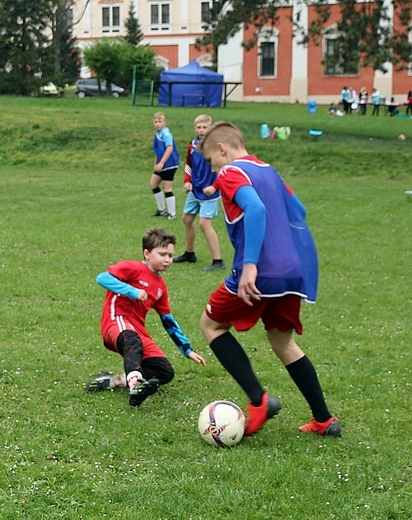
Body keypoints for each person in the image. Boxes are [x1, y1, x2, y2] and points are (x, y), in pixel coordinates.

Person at [198, 121, 341, 438]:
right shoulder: (268, 170)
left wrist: (251, 265)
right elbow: (299, 209)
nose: (212, 168)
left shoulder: (231, 172)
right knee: (283, 341)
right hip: (291, 272)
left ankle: (258, 401)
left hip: (260, 272)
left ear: (222, 149)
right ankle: (324, 420)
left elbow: (256, 208)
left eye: (211, 160)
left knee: (211, 325)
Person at [85, 227, 206, 406]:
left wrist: (187, 350)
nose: (167, 259)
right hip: (116, 320)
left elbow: (168, 320)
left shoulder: (160, 287)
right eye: (162, 254)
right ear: (147, 253)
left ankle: (112, 381)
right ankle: (136, 387)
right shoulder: (132, 268)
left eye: (170, 256)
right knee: (132, 339)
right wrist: (132, 291)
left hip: (137, 331)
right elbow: (102, 278)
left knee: (165, 372)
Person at [173, 114, 226, 272]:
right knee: (187, 219)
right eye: (199, 127)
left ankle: (218, 260)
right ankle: (189, 254)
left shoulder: (216, 146)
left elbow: (223, 169)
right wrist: (187, 181)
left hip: (210, 192)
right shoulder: (192, 145)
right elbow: (189, 165)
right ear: (195, 128)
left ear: (211, 128)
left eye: (205, 127)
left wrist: (215, 187)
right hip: (195, 190)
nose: (202, 130)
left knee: (204, 223)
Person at [150, 112, 179, 219]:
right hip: (162, 164)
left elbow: (169, 148)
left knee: (167, 187)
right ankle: (161, 210)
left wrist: (162, 163)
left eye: (160, 121)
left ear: (165, 122)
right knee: (153, 183)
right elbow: (158, 151)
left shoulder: (166, 133)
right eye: (156, 122)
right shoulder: (158, 133)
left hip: (169, 164)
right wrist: (156, 163)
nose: (158, 124)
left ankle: (172, 213)